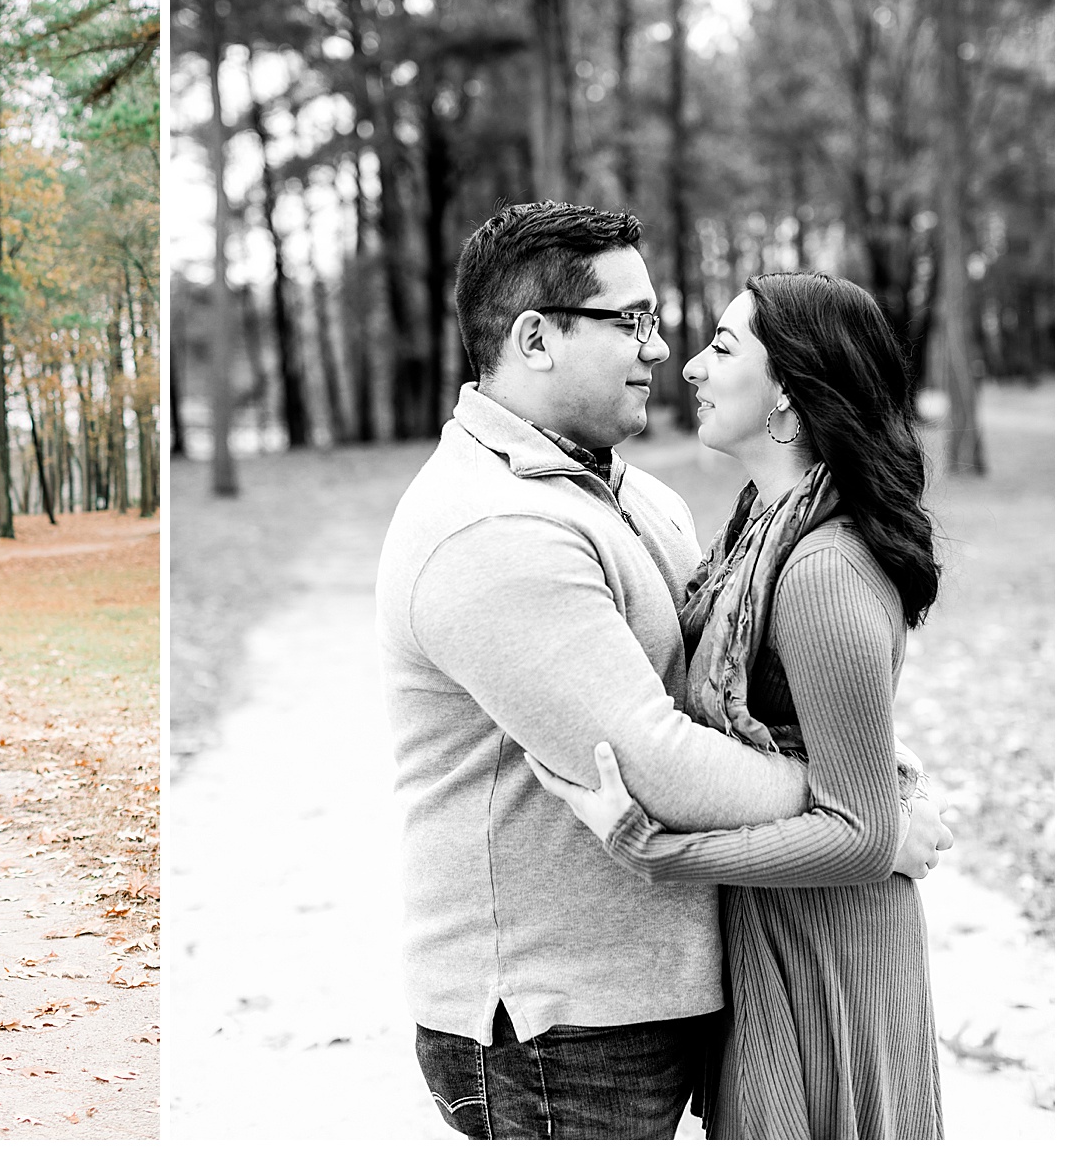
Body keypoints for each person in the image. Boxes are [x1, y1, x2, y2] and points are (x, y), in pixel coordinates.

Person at [376, 202, 948, 1139]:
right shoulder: (492, 526)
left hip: (663, 984)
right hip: (560, 1022)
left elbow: (770, 692)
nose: (661, 347)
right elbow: (661, 761)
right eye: (630, 320)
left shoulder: (635, 496)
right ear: (535, 339)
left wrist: (870, 787)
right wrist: (863, 813)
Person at [527, 272, 947, 1138]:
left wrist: (652, 848)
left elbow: (863, 833)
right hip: (780, 930)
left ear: (788, 389)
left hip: (829, 952)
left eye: (722, 347)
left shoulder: (821, 570)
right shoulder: (760, 531)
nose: (688, 368)